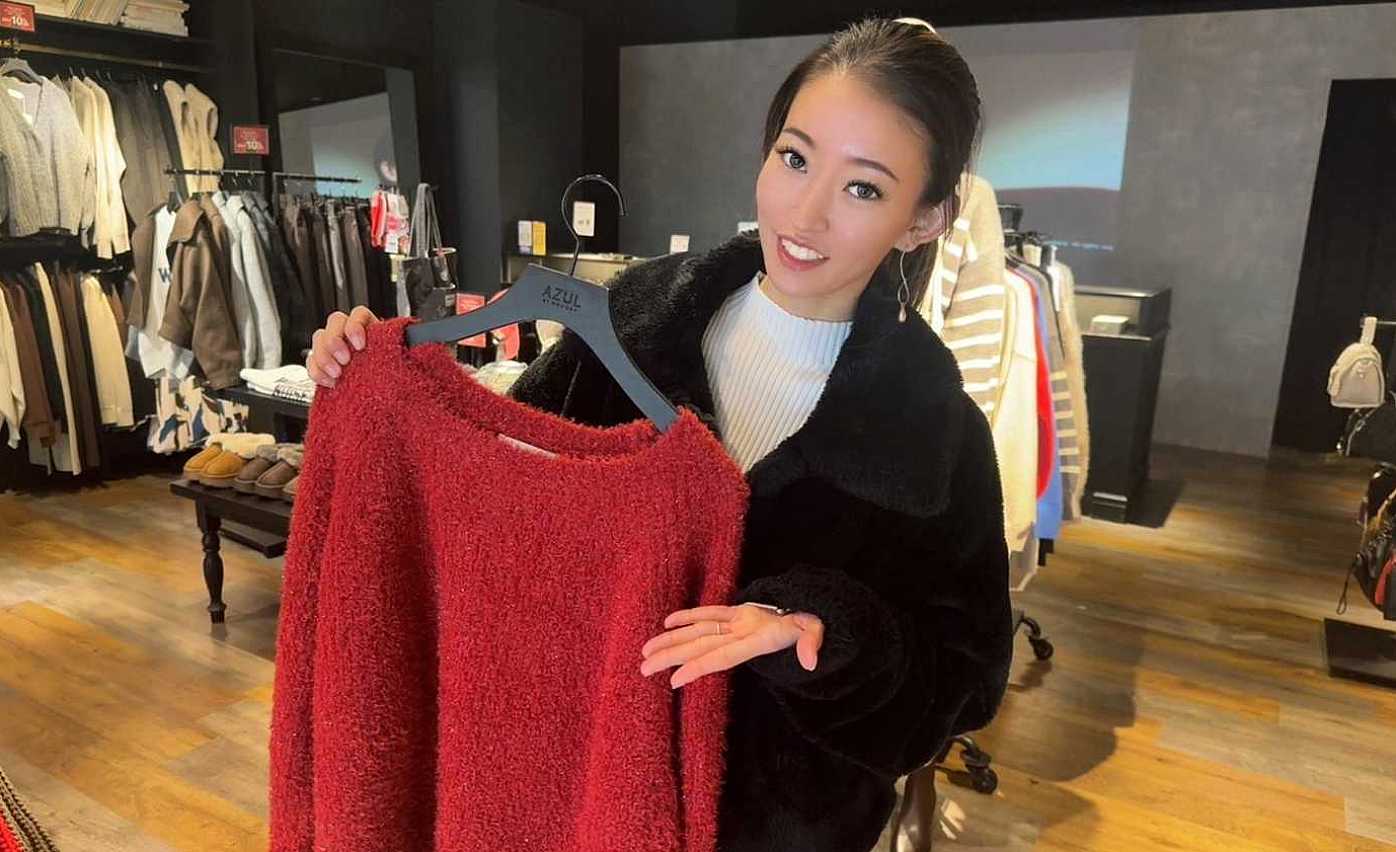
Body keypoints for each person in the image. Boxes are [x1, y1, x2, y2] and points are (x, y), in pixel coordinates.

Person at [307, 17, 1013, 852]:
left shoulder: (934, 435)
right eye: (794, 158)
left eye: (863, 189)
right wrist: (374, 383)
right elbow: (504, 484)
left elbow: (963, 683)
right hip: (568, 792)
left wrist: (825, 635)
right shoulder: (636, 322)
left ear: (924, 219)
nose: (806, 212)